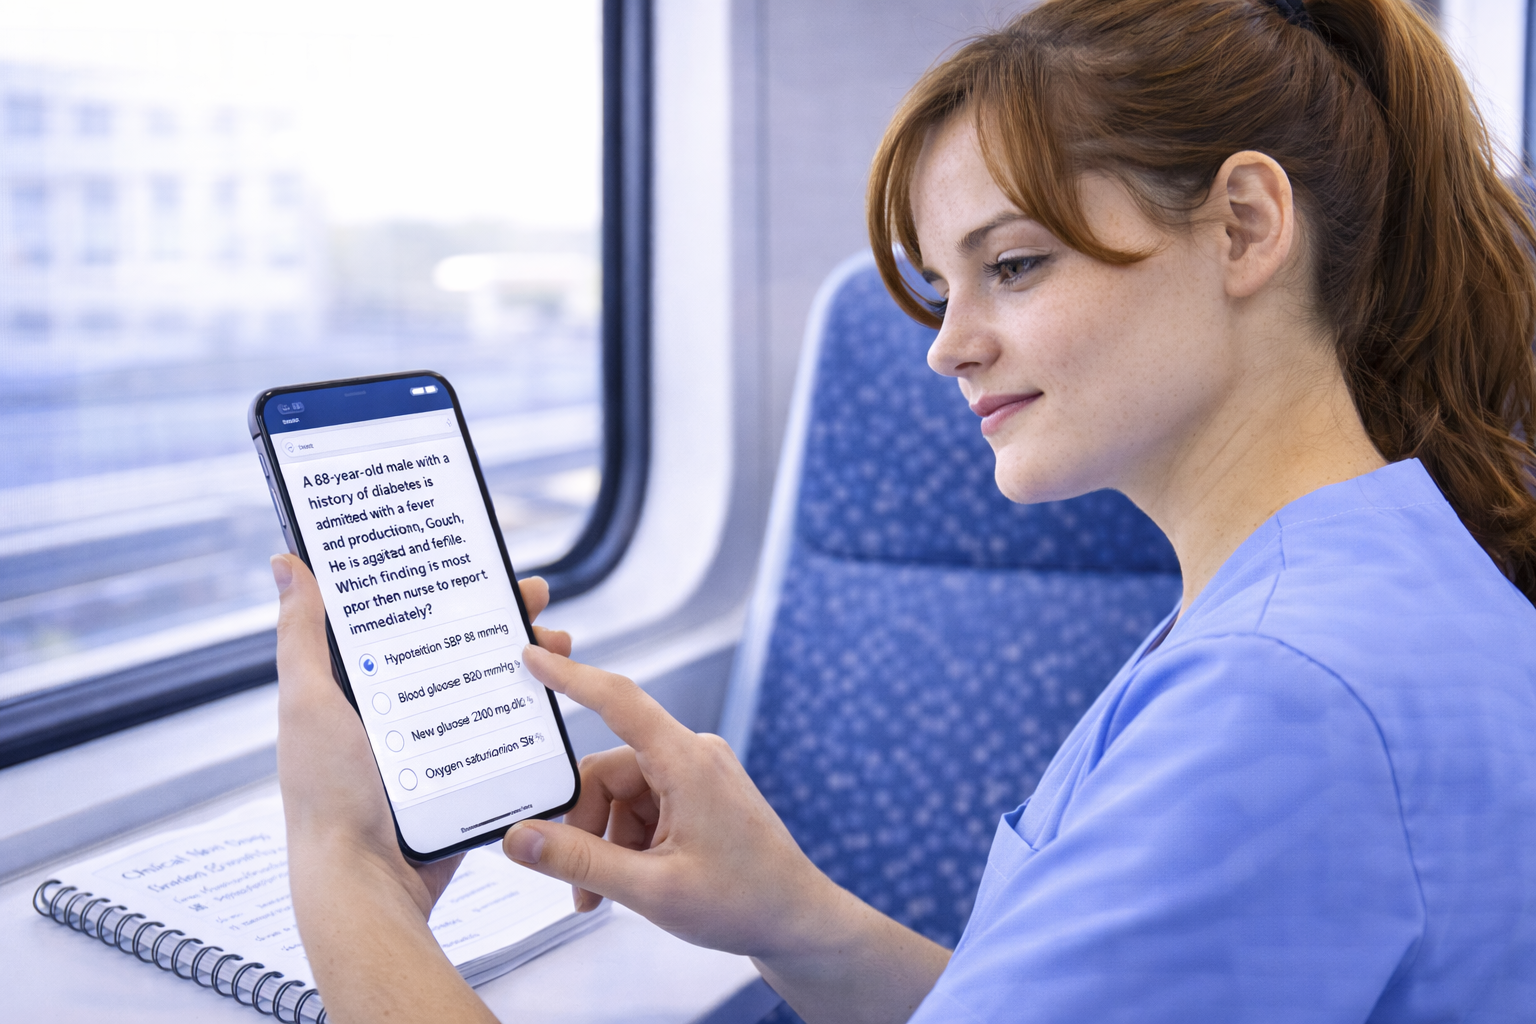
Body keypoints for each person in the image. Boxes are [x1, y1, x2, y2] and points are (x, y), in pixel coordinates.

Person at [270, 0, 1536, 1019]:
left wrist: (350, 878)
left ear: (1247, 227)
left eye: (1016, 265)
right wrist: (791, 919)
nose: (948, 347)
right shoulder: (1361, 586)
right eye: (944, 285)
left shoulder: (1281, 699)